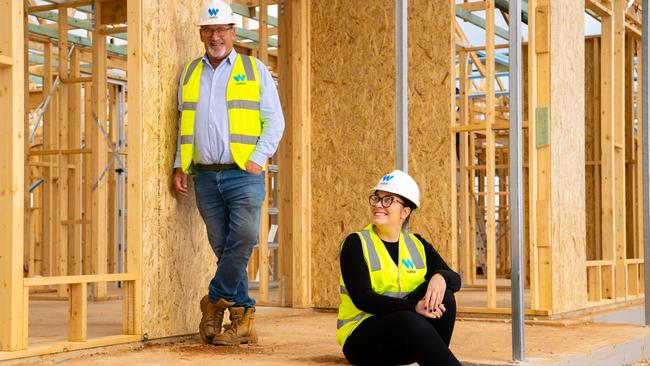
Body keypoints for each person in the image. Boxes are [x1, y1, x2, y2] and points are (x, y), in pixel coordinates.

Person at [172, 0, 284, 346]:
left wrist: (259, 157)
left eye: (221, 30)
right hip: (204, 174)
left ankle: (213, 300)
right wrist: (180, 163)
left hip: (243, 173)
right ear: (202, 34)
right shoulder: (190, 72)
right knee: (223, 246)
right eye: (209, 30)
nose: (215, 36)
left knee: (243, 240)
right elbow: (183, 123)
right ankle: (243, 317)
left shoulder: (254, 70)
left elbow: (274, 120)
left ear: (234, 33)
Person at [337, 170, 462, 366]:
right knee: (407, 319)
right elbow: (363, 299)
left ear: (405, 212)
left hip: (407, 336)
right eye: (377, 198)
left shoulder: (416, 244)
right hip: (362, 339)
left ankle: (434, 358)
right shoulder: (356, 243)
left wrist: (441, 277)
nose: (378, 204)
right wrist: (414, 307)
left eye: (388, 200)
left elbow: (455, 279)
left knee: (444, 295)